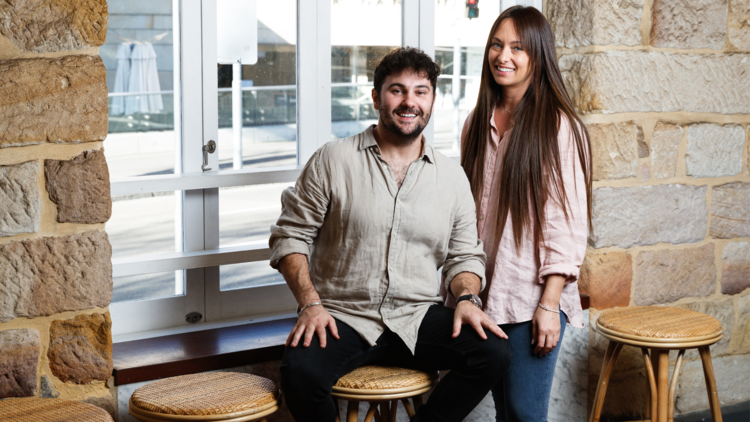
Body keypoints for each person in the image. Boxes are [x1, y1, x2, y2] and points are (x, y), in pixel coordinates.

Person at [270, 47, 512, 422]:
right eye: (397, 90)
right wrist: (310, 303)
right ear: (376, 97)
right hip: (342, 316)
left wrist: (466, 297)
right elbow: (290, 237)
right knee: (299, 373)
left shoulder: (451, 178)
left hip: (415, 317)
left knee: (493, 354)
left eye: (420, 91)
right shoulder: (333, 160)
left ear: (432, 99)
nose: (409, 101)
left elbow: (465, 256)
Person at [458, 6, 592, 422]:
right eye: (497, 45)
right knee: (505, 410)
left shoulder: (558, 127)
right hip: (484, 293)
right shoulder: (475, 123)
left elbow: (565, 225)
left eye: (518, 47)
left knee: (524, 412)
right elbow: (463, 211)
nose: (504, 56)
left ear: (538, 55)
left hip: (530, 296)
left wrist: (550, 304)